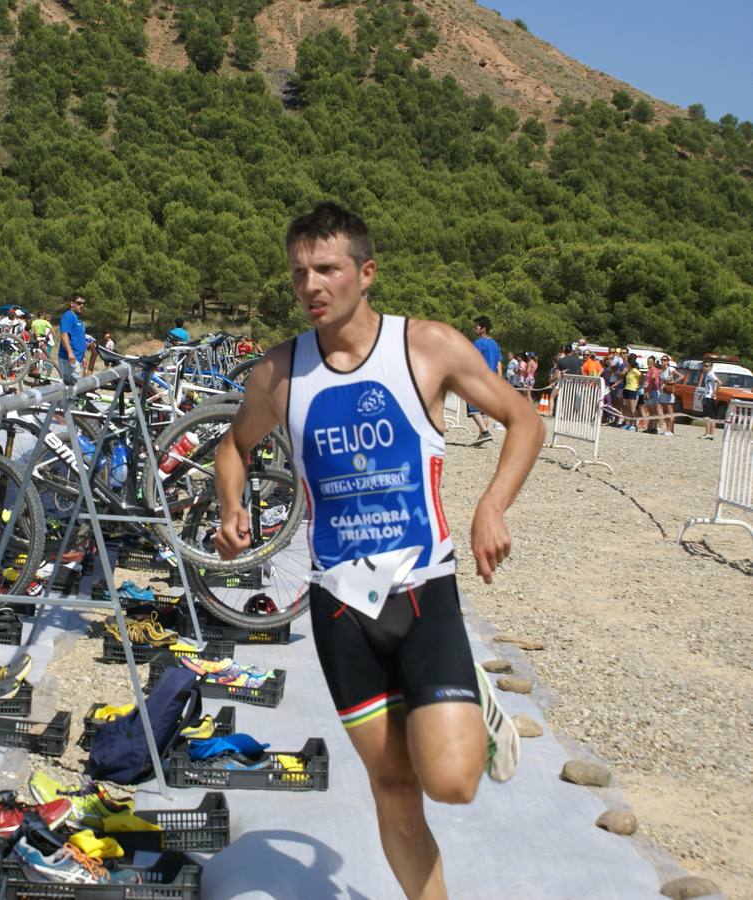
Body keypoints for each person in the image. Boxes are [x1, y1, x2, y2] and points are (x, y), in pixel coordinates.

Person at [213, 203, 537, 900]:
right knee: (392, 784)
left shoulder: (428, 348)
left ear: (366, 272)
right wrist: (230, 505)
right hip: (340, 605)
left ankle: (468, 701)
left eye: (327, 269)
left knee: (448, 783)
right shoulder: (278, 373)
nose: (311, 285)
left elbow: (524, 419)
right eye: (300, 273)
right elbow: (233, 446)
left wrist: (492, 506)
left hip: (422, 589)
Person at [467, 315, 501, 444]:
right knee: (484, 409)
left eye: (476, 327)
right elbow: (499, 364)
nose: (474, 329)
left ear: (483, 329)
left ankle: (485, 432)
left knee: (473, 407)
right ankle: (482, 436)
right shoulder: (495, 344)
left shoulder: (479, 343)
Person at [57, 293, 87, 384]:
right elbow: (64, 335)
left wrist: (83, 357)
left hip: (77, 358)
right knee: (73, 388)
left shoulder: (78, 319)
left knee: (73, 389)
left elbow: (79, 339)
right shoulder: (68, 316)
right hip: (68, 359)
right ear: (71, 303)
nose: (81, 306)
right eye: (79, 303)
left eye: (83, 304)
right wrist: (70, 353)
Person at [699, 360, 722, 440]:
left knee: (707, 416)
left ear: (711, 367)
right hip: (710, 397)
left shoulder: (710, 374)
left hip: (709, 397)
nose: (704, 367)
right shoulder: (709, 374)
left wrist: (715, 392)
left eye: (706, 366)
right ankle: (711, 434)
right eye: (704, 365)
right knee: (712, 417)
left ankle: (707, 433)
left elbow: (719, 382)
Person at [657, 355, 679, 436]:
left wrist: (673, 382)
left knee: (670, 411)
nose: (663, 361)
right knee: (665, 411)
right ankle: (668, 429)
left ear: (668, 361)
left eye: (665, 360)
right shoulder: (662, 370)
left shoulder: (670, 369)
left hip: (669, 392)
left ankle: (670, 430)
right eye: (662, 360)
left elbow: (681, 376)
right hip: (663, 392)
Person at [620, 353, 642, 432]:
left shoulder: (635, 370)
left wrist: (639, 385)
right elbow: (622, 375)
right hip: (626, 388)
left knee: (633, 408)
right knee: (628, 408)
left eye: (627, 361)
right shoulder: (628, 370)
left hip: (632, 389)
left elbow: (642, 376)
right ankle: (629, 424)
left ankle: (634, 425)